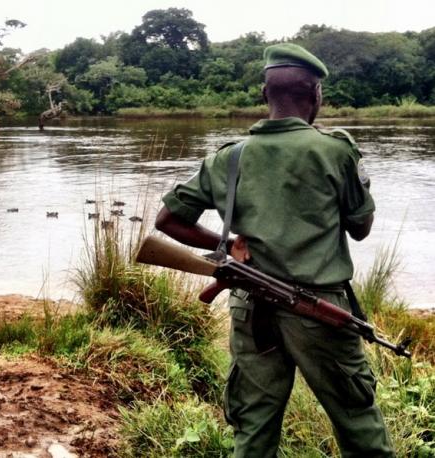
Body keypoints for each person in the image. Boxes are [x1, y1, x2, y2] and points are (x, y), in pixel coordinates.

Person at [155, 43, 395, 458]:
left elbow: (167, 221)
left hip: (250, 311)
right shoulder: (336, 150)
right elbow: (361, 228)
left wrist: (226, 245)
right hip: (320, 311)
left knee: (253, 429)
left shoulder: (229, 157)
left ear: (265, 94)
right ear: (316, 95)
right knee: (360, 425)